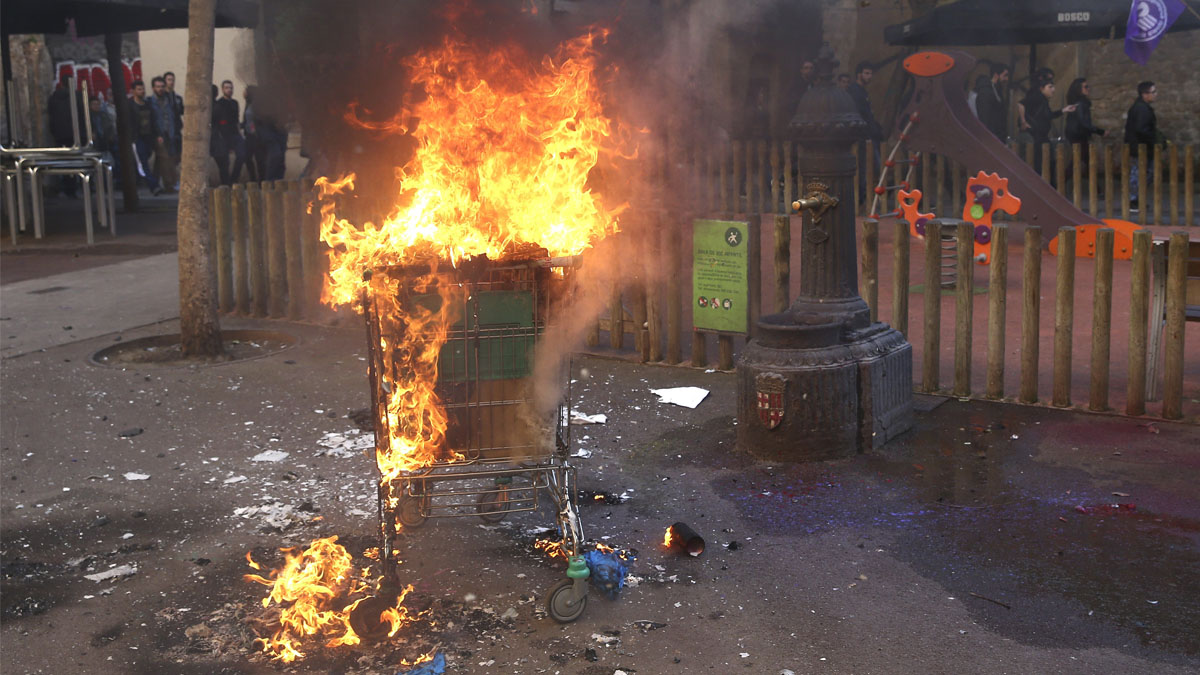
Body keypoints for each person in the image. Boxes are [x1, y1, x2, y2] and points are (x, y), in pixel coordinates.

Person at [1019, 74, 1076, 182]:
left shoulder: (1043, 100)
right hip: (1036, 137)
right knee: (1042, 165)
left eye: (1053, 87)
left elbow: (1049, 115)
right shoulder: (1037, 98)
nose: (1053, 90)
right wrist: (1023, 121)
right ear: (1041, 88)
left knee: (1049, 163)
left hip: (1042, 137)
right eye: (1050, 87)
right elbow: (1021, 104)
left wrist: (1064, 110)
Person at [847, 61, 883, 197]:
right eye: (867, 73)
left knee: (871, 167)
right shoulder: (855, 92)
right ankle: (862, 198)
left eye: (871, 74)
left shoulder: (861, 92)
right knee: (865, 168)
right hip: (862, 137)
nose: (870, 77)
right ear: (859, 75)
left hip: (868, 136)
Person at [1124, 81, 1159, 212]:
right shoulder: (1141, 108)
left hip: (1140, 146)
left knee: (1144, 173)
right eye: (1153, 92)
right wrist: (1153, 140)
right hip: (1140, 147)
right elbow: (1141, 129)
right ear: (1145, 94)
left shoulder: (1141, 107)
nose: (1156, 94)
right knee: (1140, 173)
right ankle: (1134, 201)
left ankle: (1137, 199)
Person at [127, 79, 164, 195]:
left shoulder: (147, 105)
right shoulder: (130, 105)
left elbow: (154, 121)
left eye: (143, 89)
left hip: (148, 138)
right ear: (133, 91)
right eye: (139, 89)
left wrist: (158, 135)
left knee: (146, 160)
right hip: (136, 138)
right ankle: (154, 186)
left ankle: (146, 182)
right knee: (142, 163)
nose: (142, 91)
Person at [1064, 78, 1104, 167]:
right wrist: (1100, 131)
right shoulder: (1080, 104)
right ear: (1078, 89)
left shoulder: (1081, 103)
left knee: (1082, 158)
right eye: (1086, 87)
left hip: (1078, 134)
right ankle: (1063, 179)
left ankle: (1091, 179)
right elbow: (1083, 122)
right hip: (1077, 135)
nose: (1088, 88)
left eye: (1088, 86)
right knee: (1080, 158)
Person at [212, 79, 246, 185]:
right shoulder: (218, 104)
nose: (229, 90)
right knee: (224, 163)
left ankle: (233, 179)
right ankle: (226, 184)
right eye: (226, 88)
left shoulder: (235, 103)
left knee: (241, 155)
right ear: (222, 89)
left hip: (235, 135)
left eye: (231, 88)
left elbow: (236, 120)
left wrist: (240, 135)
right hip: (222, 136)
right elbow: (216, 122)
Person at [150, 76, 179, 192]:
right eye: (158, 87)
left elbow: (173, 117)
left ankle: (155, 184)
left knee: (161, 160)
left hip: (170, 134)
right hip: (159, 136)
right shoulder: (150, 102)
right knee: (166, 159)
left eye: (162, 86)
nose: (160, 89)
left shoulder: (168, 101)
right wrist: (157, 135)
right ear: (153, 88)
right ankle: (170, 184)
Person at [975, 63, 1009, 141]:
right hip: (992, 139)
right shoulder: (985, 92)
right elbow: (984, 119)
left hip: (998, 137)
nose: (1007, 79)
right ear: (996, 75)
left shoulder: (997, 90)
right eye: (1005, 75)